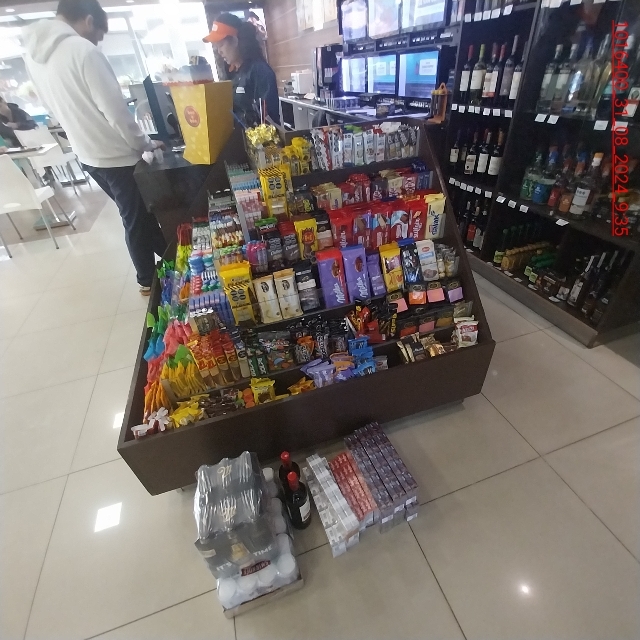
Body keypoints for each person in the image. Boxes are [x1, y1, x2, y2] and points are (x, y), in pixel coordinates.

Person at [22, 0, 167, 294]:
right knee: (136, 219)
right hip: (117, 157)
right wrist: (146, 143)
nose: (97, 41)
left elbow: (51, 108)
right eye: (99, 35)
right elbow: (116, 113)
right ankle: (146, 281)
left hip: (87, 155)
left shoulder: (33, 57)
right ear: (89, 20)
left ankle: (171, 258)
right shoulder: (84, 52)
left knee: (141, 214)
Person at [203, 13, 280, 126]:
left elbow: (268, 121)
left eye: (221, 45)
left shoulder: (259, 71)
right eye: (216, 47)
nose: (219, 52)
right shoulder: (234, 73)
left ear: (235, 41)